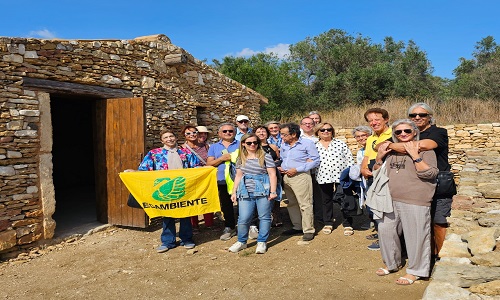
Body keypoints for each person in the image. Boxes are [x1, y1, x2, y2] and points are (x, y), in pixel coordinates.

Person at [371, 119, 438, 285]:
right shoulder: (391, 152)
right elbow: (376, 173)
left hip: (416, 199)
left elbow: (430, 174)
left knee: (416, 236)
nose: (402, 134)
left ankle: (416, 271)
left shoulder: (425, 150)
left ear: (414, 132)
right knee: (386, 231)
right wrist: (379, 158)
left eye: (407, 131)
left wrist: (415, 156)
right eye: (398, 132)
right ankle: (392, 263)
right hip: (389, 199)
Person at [385, 103, 455, 260]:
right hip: (415, 186)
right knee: (419, 223)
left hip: (438, 183)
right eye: (413, 115)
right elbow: (380, 145)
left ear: (429, 116)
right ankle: (425, 255)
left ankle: (441, 256)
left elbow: (424, 145)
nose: (417, 117)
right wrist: (388, 144)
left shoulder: (438, 132)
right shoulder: (408, 132)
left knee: (438, 221)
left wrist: (391, 145)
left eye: (422, 115)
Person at [133, 129, 202, 253]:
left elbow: (196, 167)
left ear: (175, 138)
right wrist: (134, 173)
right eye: (166, 137)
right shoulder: (155, 154)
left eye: (171, 136)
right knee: (167, 216)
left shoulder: (185, 152)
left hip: (183, 188)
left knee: (185, 214)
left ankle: (186, 239)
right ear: (162, 140)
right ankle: (168, 241)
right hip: (165, 190)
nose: (169, 139)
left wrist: (206, 169)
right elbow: (145, 169)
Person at [228, 133, 278, 254]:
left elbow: (272, 174)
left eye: (255, 142)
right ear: (243, 144)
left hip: (263, 189)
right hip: (245, 190)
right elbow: (238, 175)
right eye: (249, 143)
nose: (252, 145)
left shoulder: (265, 156)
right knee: (243, 218)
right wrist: (234, 191)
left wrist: (273, 191)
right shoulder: (241, 157)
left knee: (264, 217)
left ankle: (262, 241)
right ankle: (241, 241)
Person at [279, 123, 320, 242]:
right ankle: (297, 226)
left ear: (293, 134)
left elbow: (315, 160)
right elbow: (284, 158)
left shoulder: (307, 143)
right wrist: (282, 167)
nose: (282, 137)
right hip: (286, 177)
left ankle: (308, 230)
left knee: (305, 204)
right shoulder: (284, 145)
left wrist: (297, 169)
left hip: (300, 176)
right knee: (291, 203)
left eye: (284, 134)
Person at [360, 108, 392, 251]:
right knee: (374, 206)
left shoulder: (393, 134)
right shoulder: (371, 138)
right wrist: (363, 168)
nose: (373, 123)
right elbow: (367, 157)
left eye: (377, 119)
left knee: (385, 208)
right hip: (371, 175)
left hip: (385, 175)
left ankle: (385, 239)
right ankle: (380, 232)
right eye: (370, 121)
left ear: (386, 119)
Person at [314, 123, 354, 235]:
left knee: (344, 199)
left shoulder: (340, 144)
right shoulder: (314, 145)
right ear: (318, 132)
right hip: (323, 176)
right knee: (326, 200)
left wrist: (350, 174)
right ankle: (328, 222)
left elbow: (349, 159)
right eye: (322, 130)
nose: (326, 131)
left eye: (329, 129)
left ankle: (347, 223)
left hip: (341, 176)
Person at [207, 123, 240, 240]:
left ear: (235, 133)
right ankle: (230, 227)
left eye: (230, 131)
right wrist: (221, 159)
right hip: (221, 180)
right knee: (226, 205)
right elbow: (209, 163)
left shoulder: (241, 144)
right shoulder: (214, 147)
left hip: (239, 179)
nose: (228, 133)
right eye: (225, 131)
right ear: (219, 133)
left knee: (244, 204)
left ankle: (246, 226)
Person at [181, 125, 214, 231]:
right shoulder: (181, 149)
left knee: (207, 198)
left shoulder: (206, 146)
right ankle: (194, 224)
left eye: (194, 133)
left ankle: (209, 223)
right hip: (190, 177)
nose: (192, 135)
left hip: (205, 177)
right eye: (188, 133)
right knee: (192, 200)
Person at [255, 125, 283, 227]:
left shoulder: (273, 147)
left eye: (263, 132)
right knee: (262, 198)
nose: (261, 133)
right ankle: (261, 220)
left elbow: (278, 159)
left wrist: (277, 165)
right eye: (258, 132)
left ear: (267, 134)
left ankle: (276, 218)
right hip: (260, 177)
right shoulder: (254, 147)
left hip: (273, 175)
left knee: (275, 195)